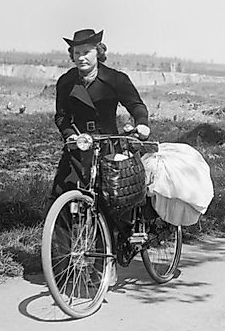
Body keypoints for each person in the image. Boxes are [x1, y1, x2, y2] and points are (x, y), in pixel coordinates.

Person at [51, 29, 151, 257]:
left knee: (110, 201)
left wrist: (142, 123)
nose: (81, 57)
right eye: (77, 53)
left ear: (98, 52)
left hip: (108, 145)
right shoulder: (66, 82)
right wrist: (69, 135)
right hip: (79, 146)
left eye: (87, 52)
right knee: (60, 196)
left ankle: (108, 258)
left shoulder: (115, 79)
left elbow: (136, 105)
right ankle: (61, 261)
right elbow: (61, 116)